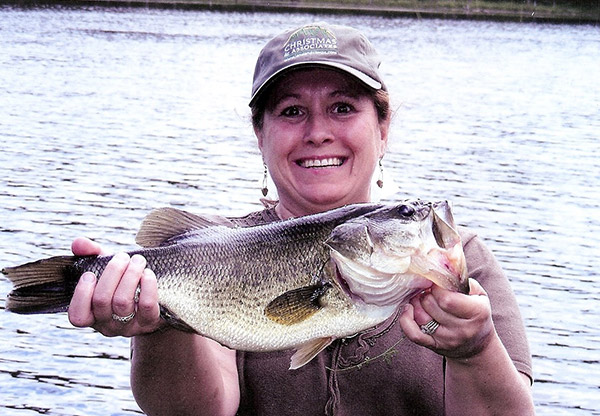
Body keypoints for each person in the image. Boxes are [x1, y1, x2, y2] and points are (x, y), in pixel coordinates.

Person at [67, 22, 535, 415]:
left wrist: (475, 352)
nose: (317, 133)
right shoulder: (218, 248)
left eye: (343, 108)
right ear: (260, 134)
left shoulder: (464, 261)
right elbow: (196, 411)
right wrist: (158, 324)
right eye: (292, 111)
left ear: (383, 126)